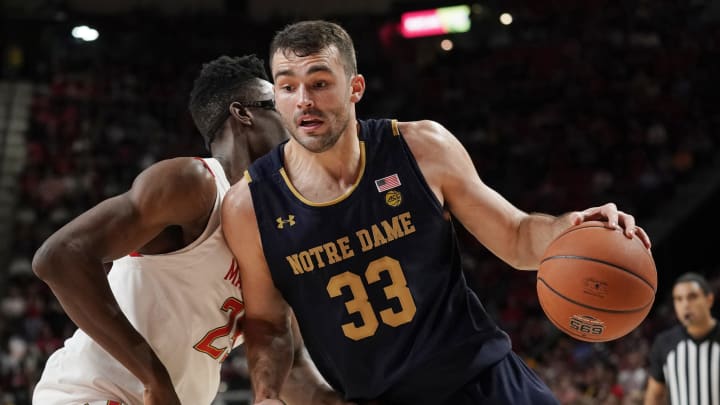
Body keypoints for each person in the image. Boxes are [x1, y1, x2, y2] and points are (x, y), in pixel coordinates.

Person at [221, 20, 653, 405]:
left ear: (355, 87)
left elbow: (518, 237)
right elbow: (269, 327)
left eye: (319, 83)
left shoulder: (420, 148)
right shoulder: (250, 205)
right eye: (287, 86)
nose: (303, 101)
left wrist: (572, 228)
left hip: (484, 381)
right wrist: (267, 393)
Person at [31, 55, 347, 405]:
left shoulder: (280, 230)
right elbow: (59, 258)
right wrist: (155, 380)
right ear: (243, 114)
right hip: (92, 395)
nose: (297, 115)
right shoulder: (196, 185)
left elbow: (291, 367)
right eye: (280, 103)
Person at [644, 272, 719, 405]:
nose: (685, 305)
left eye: (692, 297)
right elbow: (654, 396)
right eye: (678, 299)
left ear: (709, 300)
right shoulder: (664, 343)